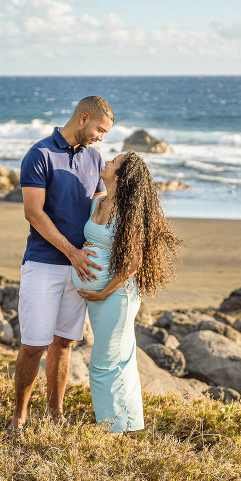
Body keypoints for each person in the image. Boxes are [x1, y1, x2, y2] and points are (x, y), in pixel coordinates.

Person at [9, 96, 114, 431]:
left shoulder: (95, 159)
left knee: (64, 342)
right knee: (33, 345)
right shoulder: (39, 155)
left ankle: (55, 413)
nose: (101, 137)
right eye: (100, 129)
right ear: (83, 118)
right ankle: (19, 416)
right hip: (43, 264)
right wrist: (73, 253)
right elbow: (33, 213)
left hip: (79, 268)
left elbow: (101, 208)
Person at [73, 151, 182, 434]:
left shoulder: (128, 212)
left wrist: (102, 292)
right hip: (100, 298)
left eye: (114, 162)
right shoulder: (98, 201)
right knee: (121, 361)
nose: (107, 161)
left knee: (103, 365)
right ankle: (130, 425)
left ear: (122, 176)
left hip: (117, 296)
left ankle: (112, 431)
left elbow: (133, 263)